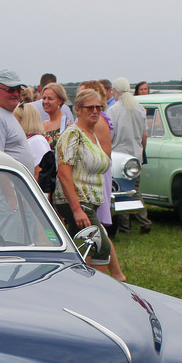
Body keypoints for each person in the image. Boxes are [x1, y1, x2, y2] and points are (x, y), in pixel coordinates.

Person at [53, 88, 117, 278]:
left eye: (98, 107)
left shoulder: (92, 134)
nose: (95, 111)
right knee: (101, 246)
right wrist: (76, 209)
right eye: (90, 107)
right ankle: (100, 288)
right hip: (77, 200)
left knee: (83, 247)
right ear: (78, 109)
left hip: (89, 201)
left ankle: (76, 282)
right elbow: (64, 174)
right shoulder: (73, 134)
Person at [106, 77, 151, 232]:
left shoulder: (113, 110)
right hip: (135, 155)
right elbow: (144, 134)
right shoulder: (139, 108)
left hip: (119, 155)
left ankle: (130, 224)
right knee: (134, 188)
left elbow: (109, 135)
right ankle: (138, 221)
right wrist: (141, 151)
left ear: (115, 91)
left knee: (121, 192)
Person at [14, 104, 48, 179]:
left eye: (14, 118)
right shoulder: (27, 140)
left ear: (24, 120)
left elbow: (41, 173)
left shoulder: (37, 141)